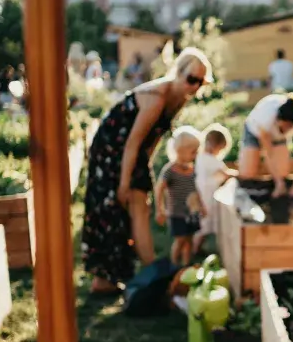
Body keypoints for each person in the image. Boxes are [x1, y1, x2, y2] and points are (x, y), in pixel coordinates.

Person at [81, 47, 212, 294]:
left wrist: (145, 167)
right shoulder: (157, 97)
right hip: (112, 147)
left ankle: (126, 278)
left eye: (201, 82)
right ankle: (150, 276)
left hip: (132, 151)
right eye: (191, 79)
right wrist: (124, 183)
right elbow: (132, 142)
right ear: (178, 73)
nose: (195, 87)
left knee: (138, 206)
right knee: (120, 206)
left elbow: (153, 138)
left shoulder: (179, 98)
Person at [237, 92, 293, 198]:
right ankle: (270, 181)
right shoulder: (266, 117)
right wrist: (279, 183)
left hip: (278, 138)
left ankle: (275, 181)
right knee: (247, 173)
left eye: (287, 127)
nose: (285, 129)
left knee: (283, 171)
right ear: (277, 119)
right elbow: (268, 153)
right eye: (282, 126)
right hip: (254, 133)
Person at [155, 127, 205, 266]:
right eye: (193, 152)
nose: (196, 155)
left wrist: (202, 206)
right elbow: (159, 189)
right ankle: (174, 264)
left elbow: (196, 190)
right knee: (180, 239)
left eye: (197, 151)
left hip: (192, 212)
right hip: (177, 213)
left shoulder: (192, 169)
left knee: (189, 240)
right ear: (180, 151)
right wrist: (160, 209)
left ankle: (185, 265)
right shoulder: (170, 170)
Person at [194, 123, 237, 253]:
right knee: (206, 227)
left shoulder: (201, 158)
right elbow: (226, 173)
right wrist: (241, 175)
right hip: (208, 198)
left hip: (203, 195)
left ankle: (197, 251)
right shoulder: (211, 160)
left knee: (204, 227)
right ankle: (195, 251)